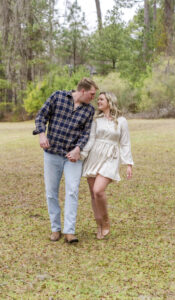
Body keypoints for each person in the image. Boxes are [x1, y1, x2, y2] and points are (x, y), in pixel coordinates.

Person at [33, 78, 98, 243]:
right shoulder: (58, 96)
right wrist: (41, 134)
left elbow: (86, 133)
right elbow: (41, 116)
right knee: (51, 193)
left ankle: (70, 231)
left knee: (72, 191)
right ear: (82, 91)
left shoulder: (89, 110)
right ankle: (55, 229)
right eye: (92, 94)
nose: (93, 98)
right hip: (52, 153)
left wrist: (78, 149)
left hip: (72, 158)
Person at [80, 92, 134, 239]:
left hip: (111, 156)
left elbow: (125, 142)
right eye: (98, 99)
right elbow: (90, 140)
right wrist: (81, 155)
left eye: (101, 99)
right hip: (94, 156)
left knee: (98, 190)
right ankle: (98, 225)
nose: (98, 101)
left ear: (110, 102)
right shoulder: (95, 120)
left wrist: (128, 163)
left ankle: (106, 221)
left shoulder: (121, 121)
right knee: (93, 194)